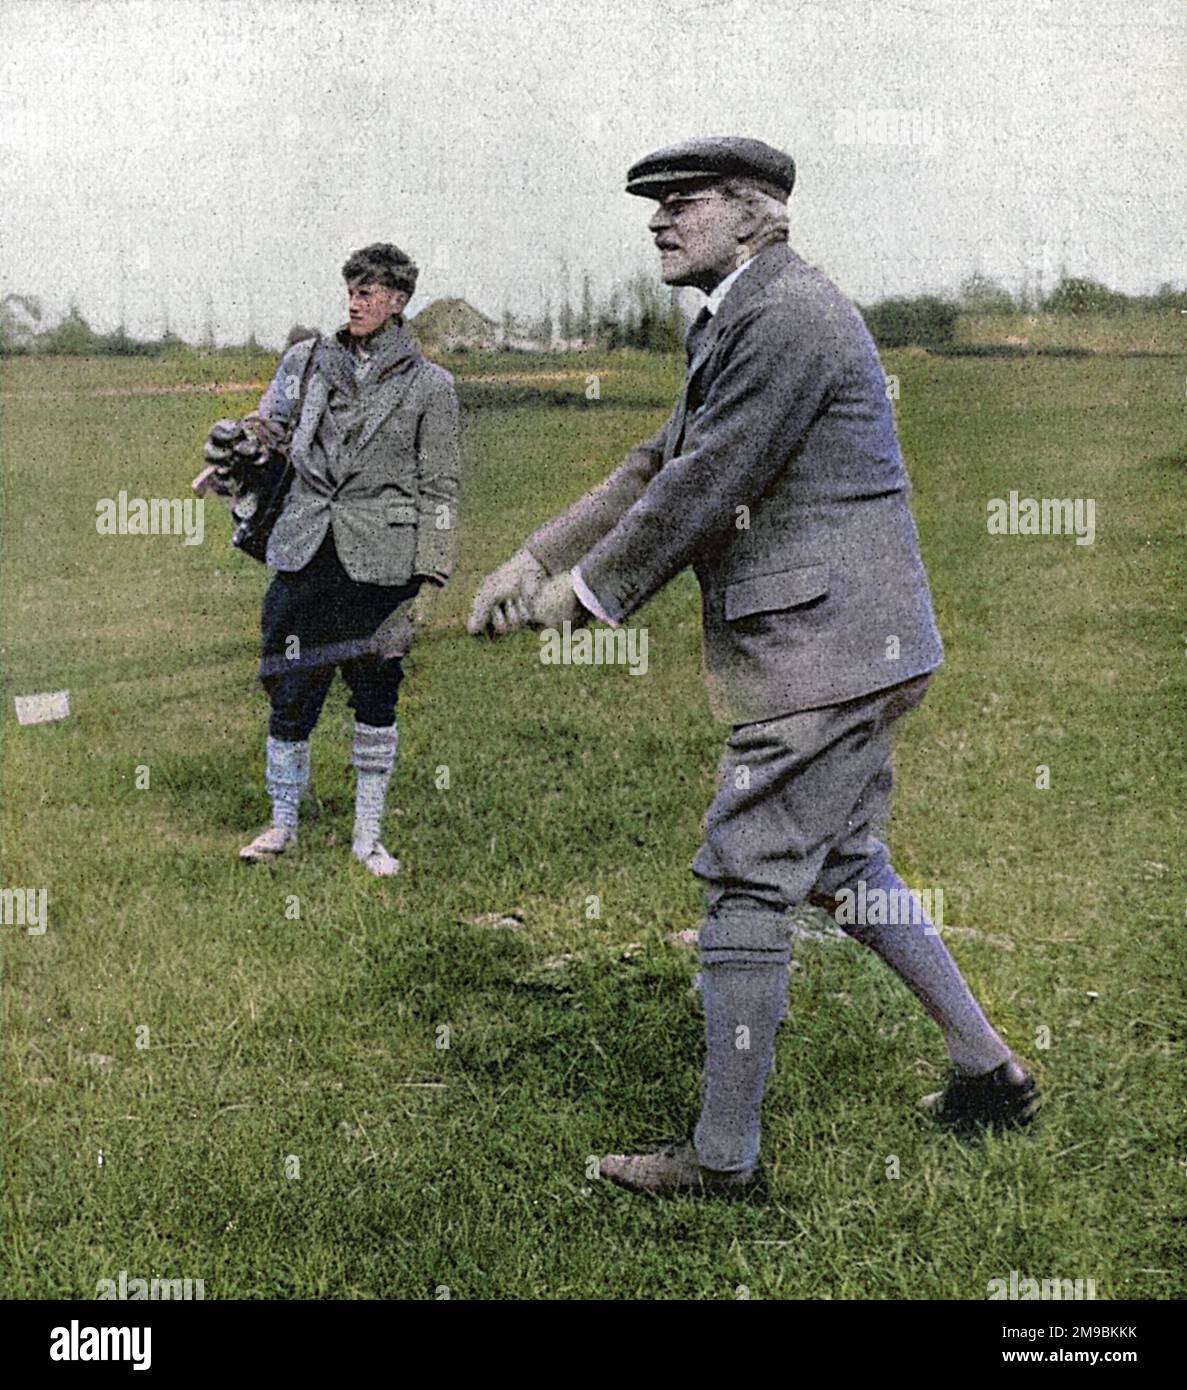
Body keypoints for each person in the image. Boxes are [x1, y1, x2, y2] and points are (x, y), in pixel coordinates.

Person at [468, 137, 1038, 1195]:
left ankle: (720, 1160)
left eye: (680, 203)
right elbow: (658, 459)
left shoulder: (784, 317)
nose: (656, 222)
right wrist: (535, 556)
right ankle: (987, 1070)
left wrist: (585, 597)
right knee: (840, 862)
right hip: (854, 643)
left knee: (744, 874)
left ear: (754, 212)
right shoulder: (742, 310)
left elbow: (708, 481)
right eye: (656, 206)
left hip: (824, 652)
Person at [228, 242, 461, 876]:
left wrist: (430, 580)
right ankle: (282, 825)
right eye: (351, 289)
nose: (355, 301)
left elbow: (440, 489)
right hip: (304, 552)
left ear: (399, 303)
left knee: (375, 693)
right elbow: (268, 424)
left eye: (369, 291)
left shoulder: (431, 387)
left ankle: (368, 837)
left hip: (382, 566)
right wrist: (241, 441)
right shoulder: (307, 361)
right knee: (288, 686)